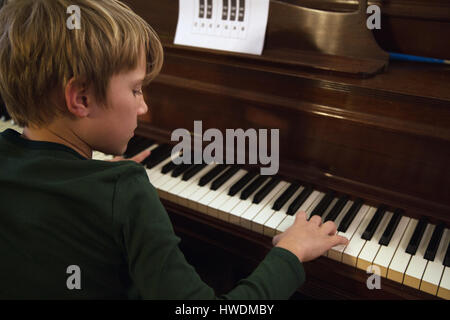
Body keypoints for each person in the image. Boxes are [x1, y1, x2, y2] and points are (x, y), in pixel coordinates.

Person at [0, 0, 348, 299]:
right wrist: (290, 252)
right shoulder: (126, 191)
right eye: (136, 89)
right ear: (81, 98)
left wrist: (99, 177)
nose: (144, 108)